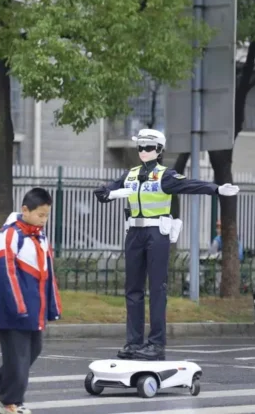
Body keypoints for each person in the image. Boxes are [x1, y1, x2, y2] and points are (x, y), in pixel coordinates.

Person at [93, 128, 240, 361]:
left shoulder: (165, 176)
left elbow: (190, 185)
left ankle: (156, 343)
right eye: (140, 147)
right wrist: (104, 192)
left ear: (159, 150)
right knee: (133, 289)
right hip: (134, 232)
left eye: (148, 147)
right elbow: (110, 189)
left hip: (156, 233)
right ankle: (133, 342)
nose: (143, 151)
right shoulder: (130, 174)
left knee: (157, 290)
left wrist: (217, 189)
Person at [0, 188, 62, 414]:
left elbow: (48, 275)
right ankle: (11, 402)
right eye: (40, 215)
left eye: (46, 215)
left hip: (34, 310)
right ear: (25, 210)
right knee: (18, 359)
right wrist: (18, 306)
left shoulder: (40, 237)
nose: (43, 220)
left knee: (32, 351)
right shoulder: (9, 235)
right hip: (12, 311)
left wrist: (51, 307)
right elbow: (6, 274)